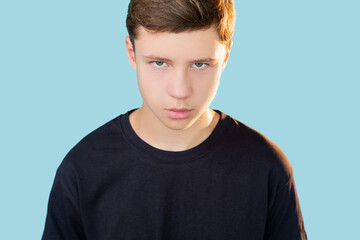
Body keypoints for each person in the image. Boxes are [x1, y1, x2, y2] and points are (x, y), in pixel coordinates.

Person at [42, 0, 307, 239]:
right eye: (159, 63)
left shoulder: (267, 168)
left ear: (225, 56)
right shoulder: (82, 169)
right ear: (131, 53)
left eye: (200, 64)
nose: (180, 90)